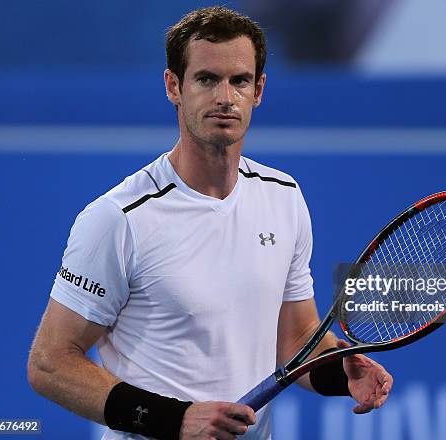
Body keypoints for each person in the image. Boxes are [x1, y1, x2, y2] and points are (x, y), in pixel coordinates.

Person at [27, 6, 393, 440]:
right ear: (173, 87)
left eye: (239, 81)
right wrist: (175, 420)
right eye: (206, 79)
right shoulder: (119, 219)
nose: (225, 97)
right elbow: (50, 362)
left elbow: (295, 339)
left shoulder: (284, 197)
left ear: (259, 90)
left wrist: (338, 375)